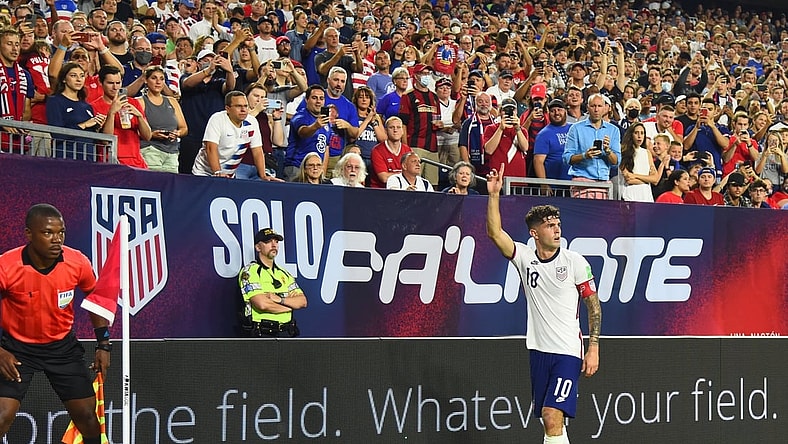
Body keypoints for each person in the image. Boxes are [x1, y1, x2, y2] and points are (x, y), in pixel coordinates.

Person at [485, 168, 600, 444]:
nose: (557, 229)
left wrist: (593, 346)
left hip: (567, 352)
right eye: (550, 225)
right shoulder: (524, 257)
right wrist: (493, 196)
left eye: (558, 224)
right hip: (538, 350)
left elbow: (593, 306)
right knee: (552, 422)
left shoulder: (575, 262)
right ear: (535, 233)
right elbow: (495, 234)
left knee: (551, 414)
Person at [0, 204, 110, 443]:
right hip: (16, 349)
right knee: (1, 416)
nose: (56, 239)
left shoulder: (77, 262)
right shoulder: (6, 266)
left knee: (88, 419)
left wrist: (104, 344)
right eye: (48, 233)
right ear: (29, 234)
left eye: (61, 232)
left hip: (61, 349)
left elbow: (95, 297)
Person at [238, 228, 307, 338]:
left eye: (276, 241)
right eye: (268, 242)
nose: (273, 245)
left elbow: (302, 301)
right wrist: (288, 308)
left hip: (287, 333)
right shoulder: (250, 271)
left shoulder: (284, 274)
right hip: (263, 333)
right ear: (258, 247)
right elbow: (262, 304)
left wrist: (279, 299)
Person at [192, 91, 273, 179]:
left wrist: (263, 176)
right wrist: (217, 172)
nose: (243, 109)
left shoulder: (252, 122)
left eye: (246, 106)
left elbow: (257, 151)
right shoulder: (217, 119)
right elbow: (210, 148)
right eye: (238, 106)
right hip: (204, 173)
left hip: (228, 175)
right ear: (228, 108)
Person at [91, 65, 151, 168]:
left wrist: (139, 116)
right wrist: (112, 113)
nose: (115, 87)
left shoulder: (133, 103)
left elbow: (147, 136)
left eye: (118, 83)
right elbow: (105, 140)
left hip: (136, 162)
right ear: (100, 83)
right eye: (110, 83)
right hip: (109, 161)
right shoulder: (94, 106)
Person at [562, 93, 621, 199]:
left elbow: (616, 162)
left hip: (604, 184)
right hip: (582, 183)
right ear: (588, 108)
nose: (596, 109)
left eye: (599, 106)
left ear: (605, 108)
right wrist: (585, 156)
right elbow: (567, 158)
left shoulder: (614, 130)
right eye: (593, 106)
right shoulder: (576, 129)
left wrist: (608, 151)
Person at [46, 62, 106, 161]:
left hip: (89, 159)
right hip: (67, 159)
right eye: (73, 76)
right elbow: (57, 134)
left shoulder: (87, 106)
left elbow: (93, 138)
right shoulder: (55, 101)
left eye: (82, 76)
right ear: (64, 79)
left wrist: (98, 128)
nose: (79, 79)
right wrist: (84, 125)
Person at [139, 66, 188, 173]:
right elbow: (134, 130)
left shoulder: (172, 101)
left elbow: (184, 128)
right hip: (150, 150)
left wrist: (177, 133)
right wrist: (152, 135)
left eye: (161, 79)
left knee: (170, 186)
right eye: (154, 78)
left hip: (172, 153)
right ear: (146, 80)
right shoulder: (140, 102)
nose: (158, 82)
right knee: (153, 184)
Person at [400, 63, 441, 185]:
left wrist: (440, 125)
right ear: (416, 76)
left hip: (433, 147)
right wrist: (406, 148)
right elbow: (403, 123)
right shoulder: (408, 96)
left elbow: (437, 118)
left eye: (428, 74)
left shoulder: (434, 97)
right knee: (413, 180)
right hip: (415, 145)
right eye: (423, 74)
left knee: (433, 183)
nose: (426, 76)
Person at [483, 97, 529, 179]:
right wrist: (500, 129)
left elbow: (525, 148)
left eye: (512, 110)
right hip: (497, 178)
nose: (509, 113)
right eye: (506, 110)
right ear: (500, 112)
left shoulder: (522, 131)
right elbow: (489, 150)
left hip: (518, 178)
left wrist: (517, 128)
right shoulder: (491, 128)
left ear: (516, 112)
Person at [533, 98, 572, 194]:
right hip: (554, 185)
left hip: (574, 183)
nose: (556, 113)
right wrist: (544, 184)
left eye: (559, 110)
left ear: (565, 111)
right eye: (552, 111)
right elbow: (538, 161)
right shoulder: (544, 134)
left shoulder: (574, 129)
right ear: (548, 113)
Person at [617, 123, 660, 202]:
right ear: (631, 134)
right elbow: (629, 179)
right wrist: (648, 179)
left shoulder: (647, 153)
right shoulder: (623, 152)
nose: (639, 136)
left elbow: (656, 179)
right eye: (636, 133)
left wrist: (634, 175)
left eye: (642, 133)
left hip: (646, 194)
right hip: (630, 193)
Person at [370, 116, 412, 188]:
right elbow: (384, 178)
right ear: (386, 131)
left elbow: (412, 175)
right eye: (391, 127)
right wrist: (405, 175)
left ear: (402, 131)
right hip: (381, 191)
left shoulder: (407, 150)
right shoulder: (377, 150)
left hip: (402, 190)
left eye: (398, 127)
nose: (395, 130)